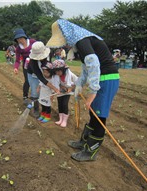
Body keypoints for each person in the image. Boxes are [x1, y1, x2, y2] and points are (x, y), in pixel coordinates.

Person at [47, 19, 119, 162]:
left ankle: (90, 152)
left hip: (107, 79)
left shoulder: (82, 41)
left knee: (99, 116)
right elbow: (86, 69)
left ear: (68, 34)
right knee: (93, 113)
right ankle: (84, 142)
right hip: (102, 78)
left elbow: (93, 64)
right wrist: (78, 85)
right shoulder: (82, 43)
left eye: (64, 41)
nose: (64, 45)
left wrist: (92, 92)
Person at [27, 41, 60, 118]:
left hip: (44, 71)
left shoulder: (50, 53)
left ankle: (46, 111)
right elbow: (41, 78)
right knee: (35, 93)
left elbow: (49, 66)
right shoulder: (33, 62)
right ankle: (36, 109)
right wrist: (54, 88)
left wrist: (53, 80)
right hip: (33, 74)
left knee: (44, 92)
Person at [13, 28, 36, 105]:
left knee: (36, 80)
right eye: (18, 39)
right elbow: (17, 60)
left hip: (35, 64)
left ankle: (35, 96)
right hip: (26, 66)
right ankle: (25, 96)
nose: (20, 40)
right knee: (27, 81)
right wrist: (16, 68)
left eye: (21, 38)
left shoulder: (32, 42)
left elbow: (40, 48)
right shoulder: (18, 48)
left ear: (24, 37)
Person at [52, 59, 78, 128]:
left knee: (64, 104)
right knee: (60, 104)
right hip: (60, 91)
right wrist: (61, 87)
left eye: (58, 71)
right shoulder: (56, 76)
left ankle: (64, 120)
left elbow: (77, 82)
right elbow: (57, 84)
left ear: (63, 69)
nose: (57, 73)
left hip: (67, 92)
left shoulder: (70, 74)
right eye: (56, 71)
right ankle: (60, 119)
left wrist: (71, 88)